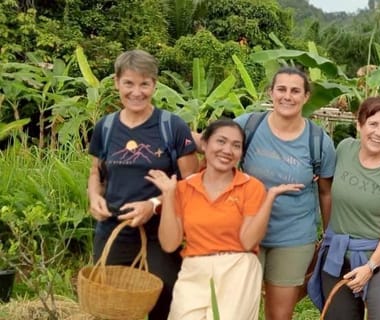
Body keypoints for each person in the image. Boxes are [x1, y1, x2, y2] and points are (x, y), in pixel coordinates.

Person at [146, 119, 300, 319]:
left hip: (237, 267)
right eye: (221, 141)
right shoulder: (184, 188)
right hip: (194, 268)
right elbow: (169, 244)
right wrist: (167, 195)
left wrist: (269, 199)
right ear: (204, 144)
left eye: (236, 145)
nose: (227, 150)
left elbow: (247, 242)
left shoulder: (251, 187)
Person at [86, 49, 199, 319]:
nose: (136, 92)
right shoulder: (106, 127)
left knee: (162, 301)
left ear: (154, 85)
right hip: (114, 229)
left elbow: (192, 182)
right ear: (116, 82)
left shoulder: (171, 126)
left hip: (160, 234)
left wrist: (154, 204)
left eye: (144, 84)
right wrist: (94, 197)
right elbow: (95, 172)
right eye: (129, 83)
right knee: (110, 302)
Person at [232, 67, 336, 320]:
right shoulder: (248, 126)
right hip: (245, 229)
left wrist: (328, 236)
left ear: (306, 97)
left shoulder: (318, 141)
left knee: (280, 314)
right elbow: (215, 154)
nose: (287, 96)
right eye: (281, 89)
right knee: (238, 308)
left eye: (295, 91)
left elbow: (325, 191)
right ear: (271, 92)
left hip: (294, 235)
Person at [307, 97, 380, 319]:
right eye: (373, 124)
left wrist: (370, 267)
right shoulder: (345, 149)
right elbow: (325, 180)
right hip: (339, 254)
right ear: (359, 124)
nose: (379, 132)